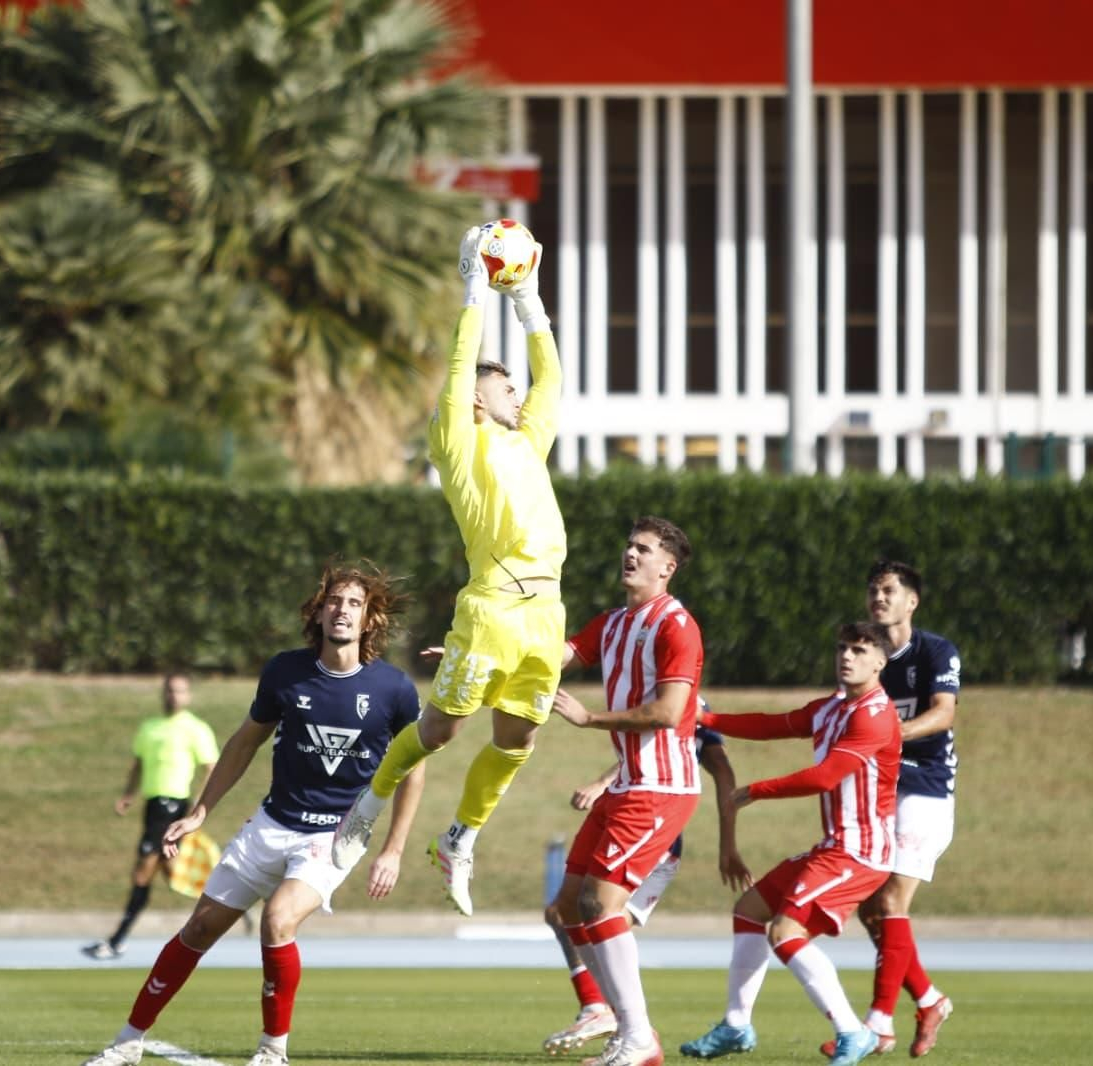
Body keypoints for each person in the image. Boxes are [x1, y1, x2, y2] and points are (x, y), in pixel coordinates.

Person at [80, 562, 426, 1066]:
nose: (342, 610)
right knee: (198, 930)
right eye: (335, 600)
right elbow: (244, 743)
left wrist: (393, 851)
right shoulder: (285, 671)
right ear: (320, 610)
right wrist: (200, 812)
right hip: (271, 823)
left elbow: (413, 771)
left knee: (278, 919)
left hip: (333, 836)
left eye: (354, 603)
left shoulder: (394, 689)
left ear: (371, 618)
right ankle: (127, 1042)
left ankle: (272, 1052)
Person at [331, 221, 566, 917]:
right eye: (504, 388)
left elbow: (550, 374)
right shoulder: (458, 442)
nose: (516, 394)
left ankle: (458, 838)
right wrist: (474, 289)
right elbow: (463, 368)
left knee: (517, 739)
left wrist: (527, 300)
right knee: (440, 731)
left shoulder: (529, 438)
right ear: (475, 401)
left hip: (546, 612)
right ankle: (367, 809)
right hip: (493, 605)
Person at [540, 517, 746, 1066]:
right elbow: (547, 660)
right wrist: (475, 663)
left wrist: (588, 720)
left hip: (660, 787)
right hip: (627, 786)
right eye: (628, 545)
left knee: (601, 904)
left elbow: (668, 713)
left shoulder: (678, 625)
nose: (630, 554)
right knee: (567, 907)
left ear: (667, 567)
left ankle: (637, 1037)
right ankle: (612, 1018)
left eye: (644, 549)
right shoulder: (610, 623)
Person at [679, 621, 901, 1066]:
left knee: (784, 932)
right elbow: (770, 725)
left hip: (860, 852)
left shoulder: (876, 714)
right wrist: (706, 719)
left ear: (880, 661)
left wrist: (755, 791)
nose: (847, 656)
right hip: (834, 846)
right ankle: (736, 1026)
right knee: (749, 911)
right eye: (842, 647)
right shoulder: (831, 708)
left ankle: (853, 1031)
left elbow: (826, 776)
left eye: (859, 650)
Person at [542, 698, 753, 1057]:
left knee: (602, 920)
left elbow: (721, 768)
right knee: (564, 912)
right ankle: (604, 1013)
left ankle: (630, 1030)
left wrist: (728, 843)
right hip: (627, 820)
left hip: (654, 837)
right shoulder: (649, 692)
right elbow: (641, 752)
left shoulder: (689, 703)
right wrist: (600, 783)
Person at [817, 561, 960, 1058]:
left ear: (911, 601)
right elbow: (840, 710)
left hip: (924, 787)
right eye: (873, 589)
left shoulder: (935, 651)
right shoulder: (866, 655)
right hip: (878, 792)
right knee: (870, 909)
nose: (878, 597)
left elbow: (944, 712)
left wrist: (886, 735)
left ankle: (879, 1024)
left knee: (891, 904)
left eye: (889, 590)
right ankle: (928, 999)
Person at [83, 673, 219, 961]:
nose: (174, 696)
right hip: (152, 806)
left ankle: (117, 940)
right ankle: (227, 902)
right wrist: (128, 794)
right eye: (170, 690)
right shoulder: (150, 727)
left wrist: (200, 803)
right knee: (172, 873)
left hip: (174, 807)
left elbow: (211, 767)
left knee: (142, 873)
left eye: (180, 691)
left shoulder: (195, 729)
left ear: (188, 696)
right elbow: (139, 764)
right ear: (163, 693)